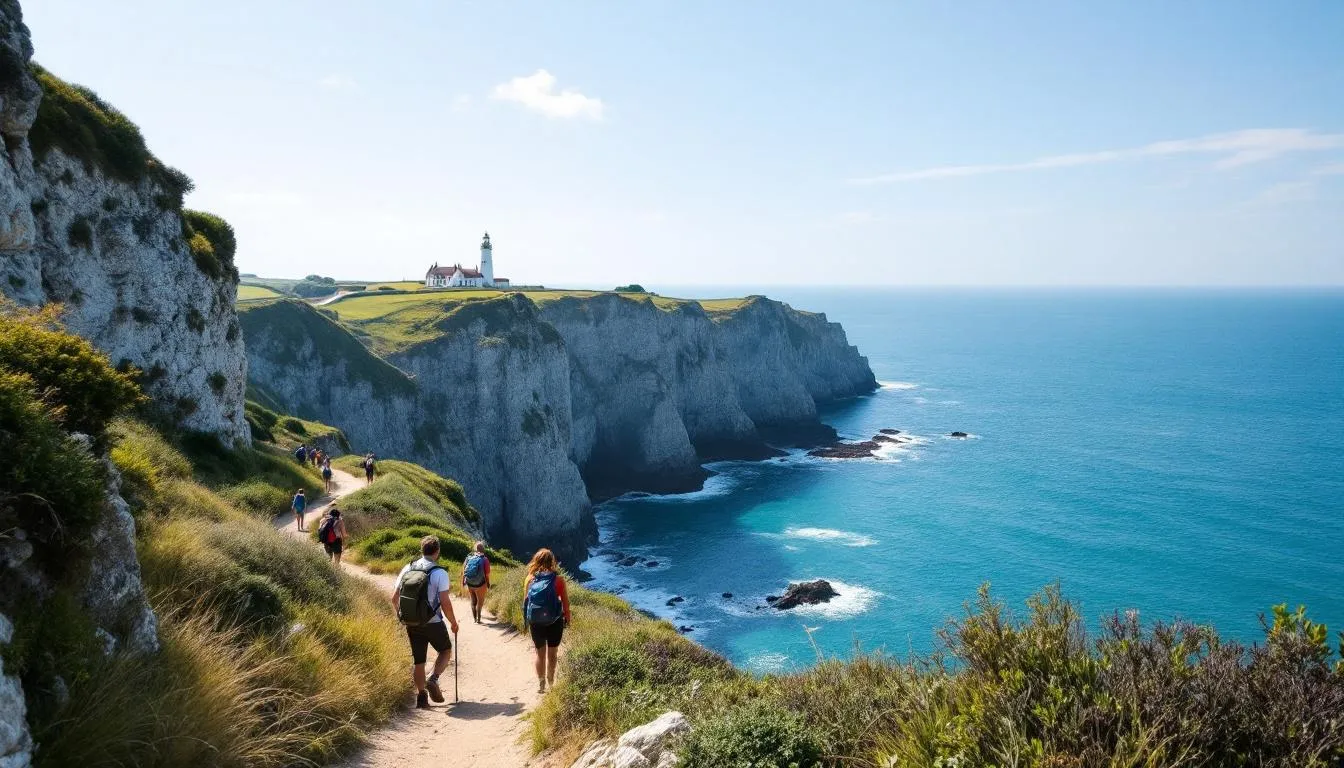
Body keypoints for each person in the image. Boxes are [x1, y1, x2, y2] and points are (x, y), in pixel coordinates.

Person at [391, 536, 459, 709]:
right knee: (445, 651)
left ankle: (421, 697)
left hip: (412, 622)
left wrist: (403, 618)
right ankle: (433, 679)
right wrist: (453, 622)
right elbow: (445, 602)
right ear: (437, 552)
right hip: (433, 621)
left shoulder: (408, 567)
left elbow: (394, 599)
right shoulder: (439, 573)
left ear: (422, 550)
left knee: (418, 661)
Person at [522, 548, 570, 693]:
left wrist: (526, 620)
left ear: (536, 561)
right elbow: (566, 603)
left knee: (539, 654)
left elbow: (526, 602)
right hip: (554, 621)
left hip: (535, 621)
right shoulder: (559, 580)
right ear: (552, 562)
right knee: (553, 654)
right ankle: (551, 681)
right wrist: (567, 618)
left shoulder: (530, 579)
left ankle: (541, 682)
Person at [461, 542, 492, 624]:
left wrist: (463, 582)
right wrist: (488, 583)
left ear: (475, 549)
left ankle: (474, 619)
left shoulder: (469, 558)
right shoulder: (485, 559)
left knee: (473, 600)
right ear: (483, 550)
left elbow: (464, 571)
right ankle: (478, 619)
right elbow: (487, 574)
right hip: (480, 584)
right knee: (480, 601)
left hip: (470, 583)